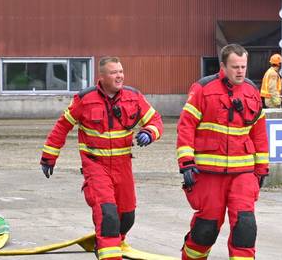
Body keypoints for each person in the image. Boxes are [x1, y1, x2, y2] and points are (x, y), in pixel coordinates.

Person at [40, 57, 162, 260]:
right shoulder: (84, 99)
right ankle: (109, 253)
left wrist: (150, 132)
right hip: (95, 166)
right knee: (108, 215)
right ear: (102, 77)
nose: (119, 76)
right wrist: (49, 157)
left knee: (127, 217)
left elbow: (155, 120)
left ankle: (110, 243)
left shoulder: (134, 97)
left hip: (123, 166)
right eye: (114, 72)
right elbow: (62, 126)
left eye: (121, 71)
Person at [177, 43, 269, 260]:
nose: (240, 71)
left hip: (243, 173)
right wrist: (186, 162)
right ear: (223, 66)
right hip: (209, 173)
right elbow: (186, 126)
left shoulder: (252, 91)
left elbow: (259, 134)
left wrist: (262, 168)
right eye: (235, 67)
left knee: (245, 226)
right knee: (206, 229)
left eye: (243, 66)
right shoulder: (203, 89)